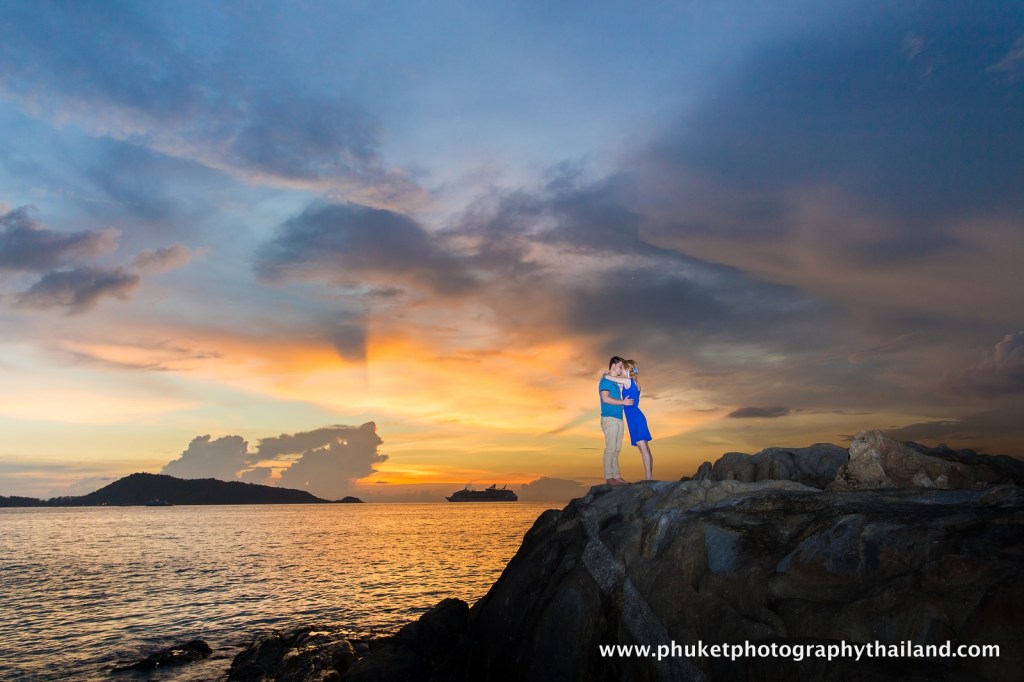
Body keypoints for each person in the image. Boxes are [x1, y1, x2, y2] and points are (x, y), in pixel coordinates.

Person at [601, 359, 653, 480]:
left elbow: (611, 379)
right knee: (645, 448)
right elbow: (616, 383)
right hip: (636, 417)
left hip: (634, 418)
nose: (620, 370)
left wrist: (605, 375)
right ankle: (649, 476)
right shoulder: (632, 382)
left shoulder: (627, 381)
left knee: (643, 448)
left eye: (622, 368)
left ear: (626, 369)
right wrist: (608, 375)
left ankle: (649, 478)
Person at [598, 356, 633, 485]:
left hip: (618, 418)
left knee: (617, 449)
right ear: (613, 365)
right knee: (611, 448)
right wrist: (623, 402)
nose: (620, 370)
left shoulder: (613, 382)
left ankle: (616, 476)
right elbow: (605, 399)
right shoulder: (605, 382)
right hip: (609, 418)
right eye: (619, 367)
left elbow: (626, 380)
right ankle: (609, 477)